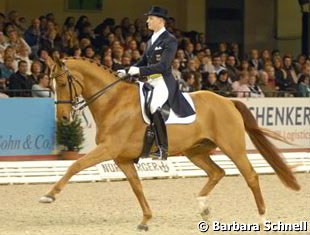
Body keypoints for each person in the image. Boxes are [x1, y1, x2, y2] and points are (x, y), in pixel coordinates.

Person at [118, 6, 195, 160]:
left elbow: (163, 66)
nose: (147, 21)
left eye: (150, 18)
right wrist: (128, 70)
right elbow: (143, 61)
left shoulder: (170, 40)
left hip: (163, 82)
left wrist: (138, 72)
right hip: (150, 81)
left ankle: (162, 148)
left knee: (154, 106)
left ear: (160, 21)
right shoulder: (150, 40)